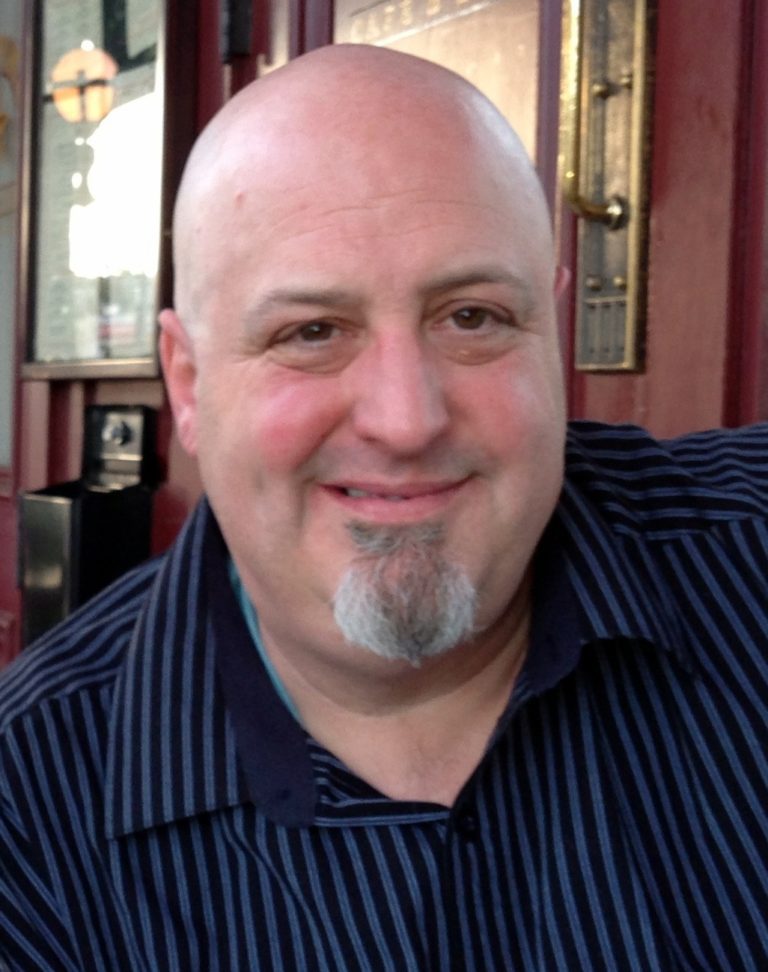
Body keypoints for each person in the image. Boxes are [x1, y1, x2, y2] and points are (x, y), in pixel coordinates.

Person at [1, 44, 767, 972]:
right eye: (312, 332)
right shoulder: (27, 811)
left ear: (553, 333)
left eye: (472, 318)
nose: (407, 420)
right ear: (190, 383)